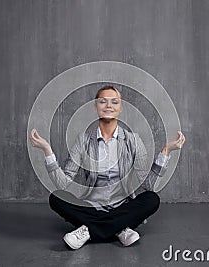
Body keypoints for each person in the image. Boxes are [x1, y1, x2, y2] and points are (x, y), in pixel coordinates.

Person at [30, 85, 186, 249]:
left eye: (114, 102)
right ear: (96, 107)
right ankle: (120, 229)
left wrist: (165, 152)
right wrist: (47, 151)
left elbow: (147, 185)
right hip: (91, 207)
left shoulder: (133, 140)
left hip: (122, 206)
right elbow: (63, 184)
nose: (108, 106)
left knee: (152, 199)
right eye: (102, 101)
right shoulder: (83, 140)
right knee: (56, 197)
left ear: (120, 108)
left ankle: (88, 230)